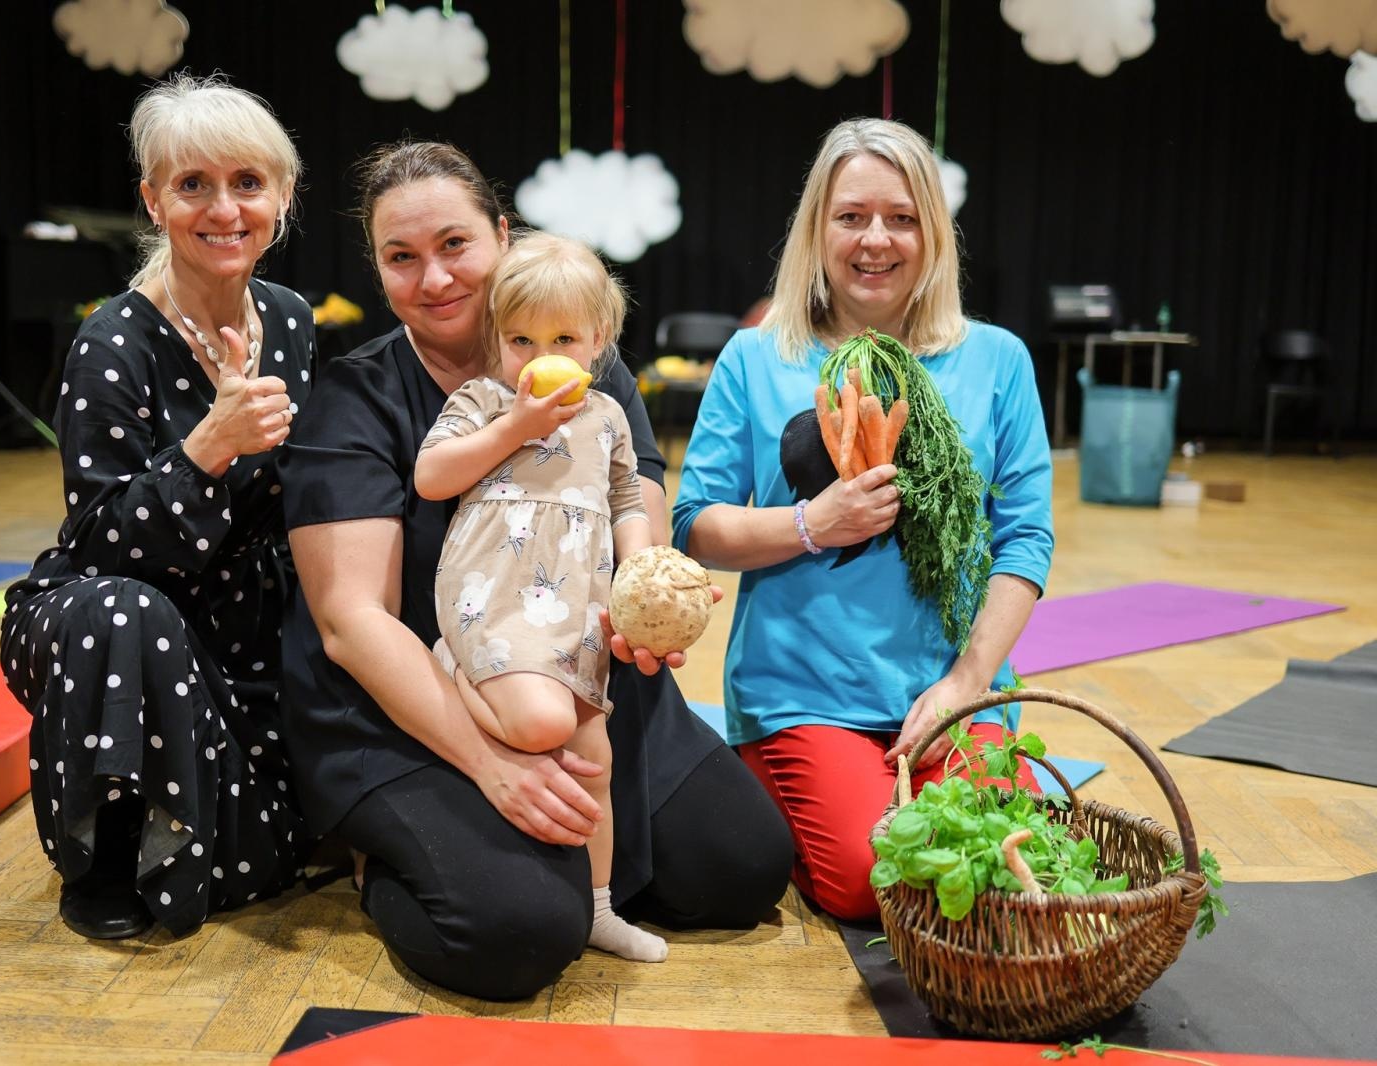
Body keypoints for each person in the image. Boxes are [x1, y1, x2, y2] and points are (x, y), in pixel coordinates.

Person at [278, 141, 793, 1000]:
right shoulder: (356, 399)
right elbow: (351, 623)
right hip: (419, 704)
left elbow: (635, 502)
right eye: (401, 257)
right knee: (519, 931)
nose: (434, 277)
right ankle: (385, 858)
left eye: (455, 244)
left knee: (742, 867)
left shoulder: (588, 368)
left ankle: (572, 869)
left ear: (502, 236)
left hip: (579, 672)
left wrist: (645, 602)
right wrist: (491, 763)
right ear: (377, 268)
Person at [671, 118, 1054, 920]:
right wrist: (812, 524)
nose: (875, 239)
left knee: (1002, 867)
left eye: (901, 218)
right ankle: (773, 786)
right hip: (805, 695)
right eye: (851, 216)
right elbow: (695, 526)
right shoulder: (756, 356)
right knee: (872, 881)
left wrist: (966, 684)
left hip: (953, 689)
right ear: (818, 230)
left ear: (933, 233)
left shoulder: (998, 359)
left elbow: (1025, 538)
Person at [0, 73, 315, 940]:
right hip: (110, 623)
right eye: (193, 185)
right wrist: (209, 446)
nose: (225, 209)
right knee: (127, 612)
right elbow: (101, 544)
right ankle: (106, 854)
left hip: (238, 621)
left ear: (283, 196)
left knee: (279, 850)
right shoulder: (112, 341)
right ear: (153, 201)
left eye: (247, 183)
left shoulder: (291, 320)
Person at [415, 232, 668, 963]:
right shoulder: (484, 399)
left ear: (598, 340)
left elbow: (628, 502)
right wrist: (515, 426)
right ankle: (450, 665)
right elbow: (432, 476)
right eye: (521, 339)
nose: (539, 355)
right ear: (496, 337)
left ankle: (598, 907)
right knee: (542, 723)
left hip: (574, 607)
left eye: (562, 339)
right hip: (491, 594)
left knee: (592, 754)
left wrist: (644, 572)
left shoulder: (607, 415)